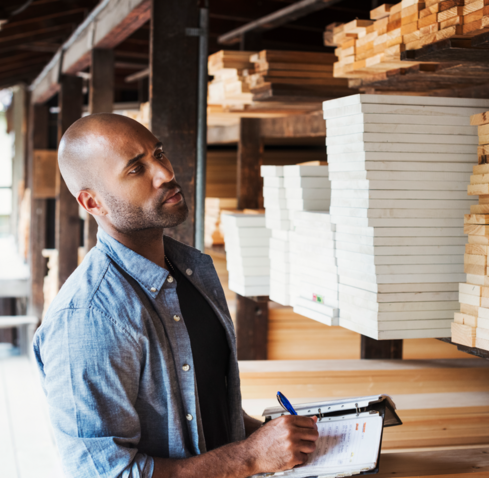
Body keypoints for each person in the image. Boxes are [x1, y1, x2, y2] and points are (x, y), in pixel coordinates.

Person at [33, 113, 319, 478]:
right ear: (92, 203)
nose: (165, 173)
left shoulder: (190, 270)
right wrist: (250, 457)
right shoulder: (89, 317)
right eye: (136, 169)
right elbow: (107, 474)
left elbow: (203, 414)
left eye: (159, 154)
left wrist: (272, 436)